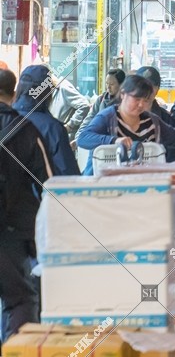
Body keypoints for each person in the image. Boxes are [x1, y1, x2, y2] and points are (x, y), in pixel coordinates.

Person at [0, 68, 52, 344]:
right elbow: (49, 183)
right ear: (13, 93)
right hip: (11, 230)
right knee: (20, 299)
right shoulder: (25, 129)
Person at [77, 74, 175, 167]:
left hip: (140, 185)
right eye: (136, 99)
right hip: (106, 187)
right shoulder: (107, 117)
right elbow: (83, 138)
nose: (141, 105)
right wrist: (113, 141)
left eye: (145, 100)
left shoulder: (151, 121)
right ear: (123, 94)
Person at [13, 65, 79, 175]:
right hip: (42, 191)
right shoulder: (53, 128)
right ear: (47, 92)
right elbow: (68, 175)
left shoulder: (5, 118)